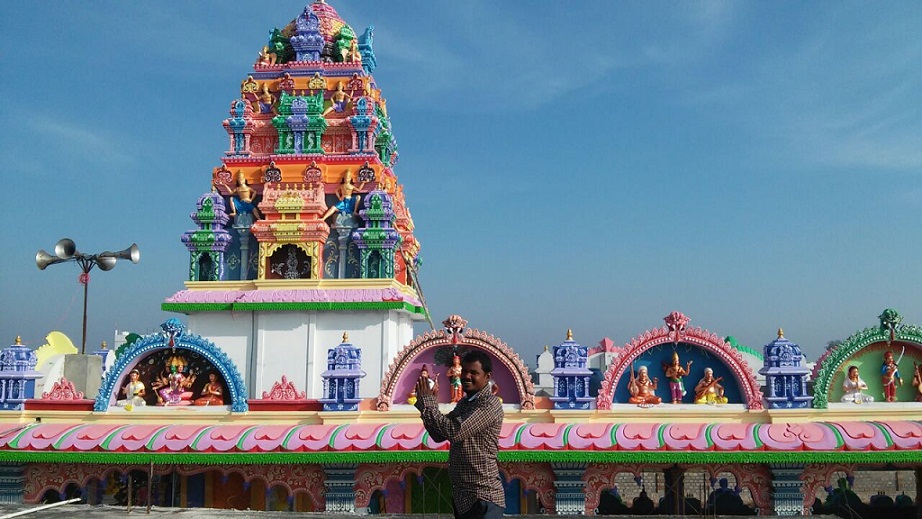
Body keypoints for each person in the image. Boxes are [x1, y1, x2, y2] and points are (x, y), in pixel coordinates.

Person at [415, 351, 505, 519]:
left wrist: (428, 405)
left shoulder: (489, 404)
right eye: (465, 371)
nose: (467, 377)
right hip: (464, 499)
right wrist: (425, 404)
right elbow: (438, 435)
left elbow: (454, 431)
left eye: (474, 373)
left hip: (483, 496)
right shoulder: (465, 403)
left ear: (487, 377)